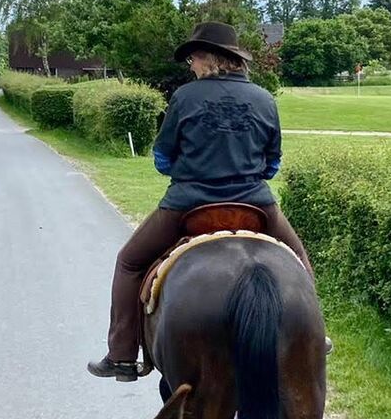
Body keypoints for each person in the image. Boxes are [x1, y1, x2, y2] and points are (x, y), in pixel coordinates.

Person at [88, 22, 318, 381]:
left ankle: (121, 355)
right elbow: (272, 164)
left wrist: (191, 169)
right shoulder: (264, 98)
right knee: (299, 259)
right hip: (255, 204)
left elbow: (162, 158)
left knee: (129, 262)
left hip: (189, 204)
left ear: (210, 58)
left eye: (193, 58)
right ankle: (316, 337)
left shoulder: (184, 97)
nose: (191, 65)